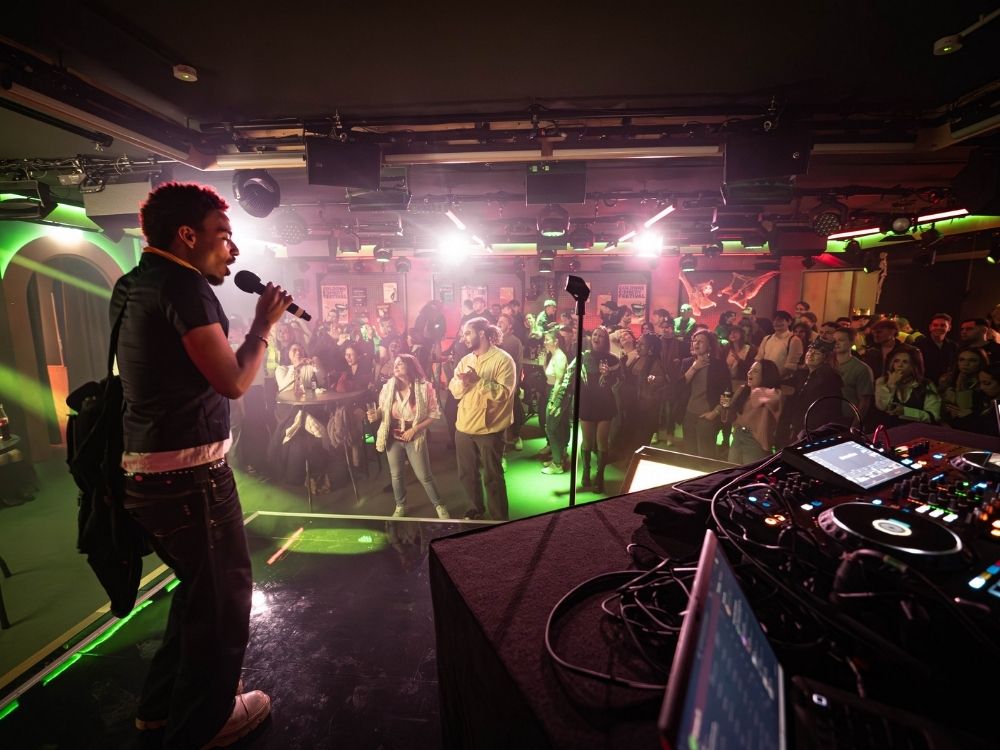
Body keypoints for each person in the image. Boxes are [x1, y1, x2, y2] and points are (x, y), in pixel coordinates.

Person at [114, 182, 289, 748]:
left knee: (196, 594)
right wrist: (262, 327)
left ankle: (160, 709)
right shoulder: (185, 287)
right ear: (187, 236)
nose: (233, 249)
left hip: (148, 474)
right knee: (221, 603)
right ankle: (205, 725)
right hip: (190, 479)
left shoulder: (133, 282)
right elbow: (233, 381)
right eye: (223, 235)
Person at [448, 317, 516, 520]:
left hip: (490, 429)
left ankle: (499, 519)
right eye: (463, 334)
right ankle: (476, 508)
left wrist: (478, 381)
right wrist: (462, 384)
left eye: (467, 333)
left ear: (482, 333)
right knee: (467, 474)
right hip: (464, 426)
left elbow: (504, 394)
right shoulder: (465, 360)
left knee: (493, 477)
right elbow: (453, 390)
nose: (464, 338)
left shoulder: (503, 360)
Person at [367, 354, 451, 519]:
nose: (395, 366)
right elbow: (383, 408)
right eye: (395, 364)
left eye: (400, 364)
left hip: (415, 435)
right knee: (396, 474)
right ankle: (400, 505)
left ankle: (439, 505)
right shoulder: (389, 386)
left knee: (424, 475)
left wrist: (414, 429)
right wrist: (376, 414)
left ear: (410, 366)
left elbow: (434, 414)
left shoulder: (424, 387)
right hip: (393, 436)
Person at [550, 327, 621, 492]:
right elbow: (568, 379)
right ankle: (586, 472)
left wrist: (608, 376)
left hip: (605, 404)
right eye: (595, 334)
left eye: (601, 336)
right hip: (586, 403)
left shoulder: (613, 359)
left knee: (602, 441)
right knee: (587, 440)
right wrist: (559, 402)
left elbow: (620, 382)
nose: (597, 337)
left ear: (606, 340)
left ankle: (600, 476)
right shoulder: (582, 357)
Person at [727, 360, 783, 465]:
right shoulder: (744, 390)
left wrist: (749, 389)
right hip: (738, 435)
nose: (749, 372)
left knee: (750, 473)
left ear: (766, 376)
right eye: (750, 369)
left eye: (755, 371)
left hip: (755, 440)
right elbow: (732, 413)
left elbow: (757, 400)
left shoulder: (775, 393)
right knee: (732, 470)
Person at [874, 349, 941, 427]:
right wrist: (891, 385)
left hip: (917, 430)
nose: (900, 365)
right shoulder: (882, 381)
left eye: (905, 362)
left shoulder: (926, 384)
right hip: (889, 429)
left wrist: (906, 412)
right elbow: (882, 407)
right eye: (896, 361)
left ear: (913, 366)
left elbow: (934, 416)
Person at [916, 313, 958, 386]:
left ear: (949, 328)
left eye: (943, 325)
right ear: (930, 327)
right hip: (923, 386)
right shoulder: (918, 345)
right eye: (935, 325)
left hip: (946, 386)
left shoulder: (953, 346)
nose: (938, 327)